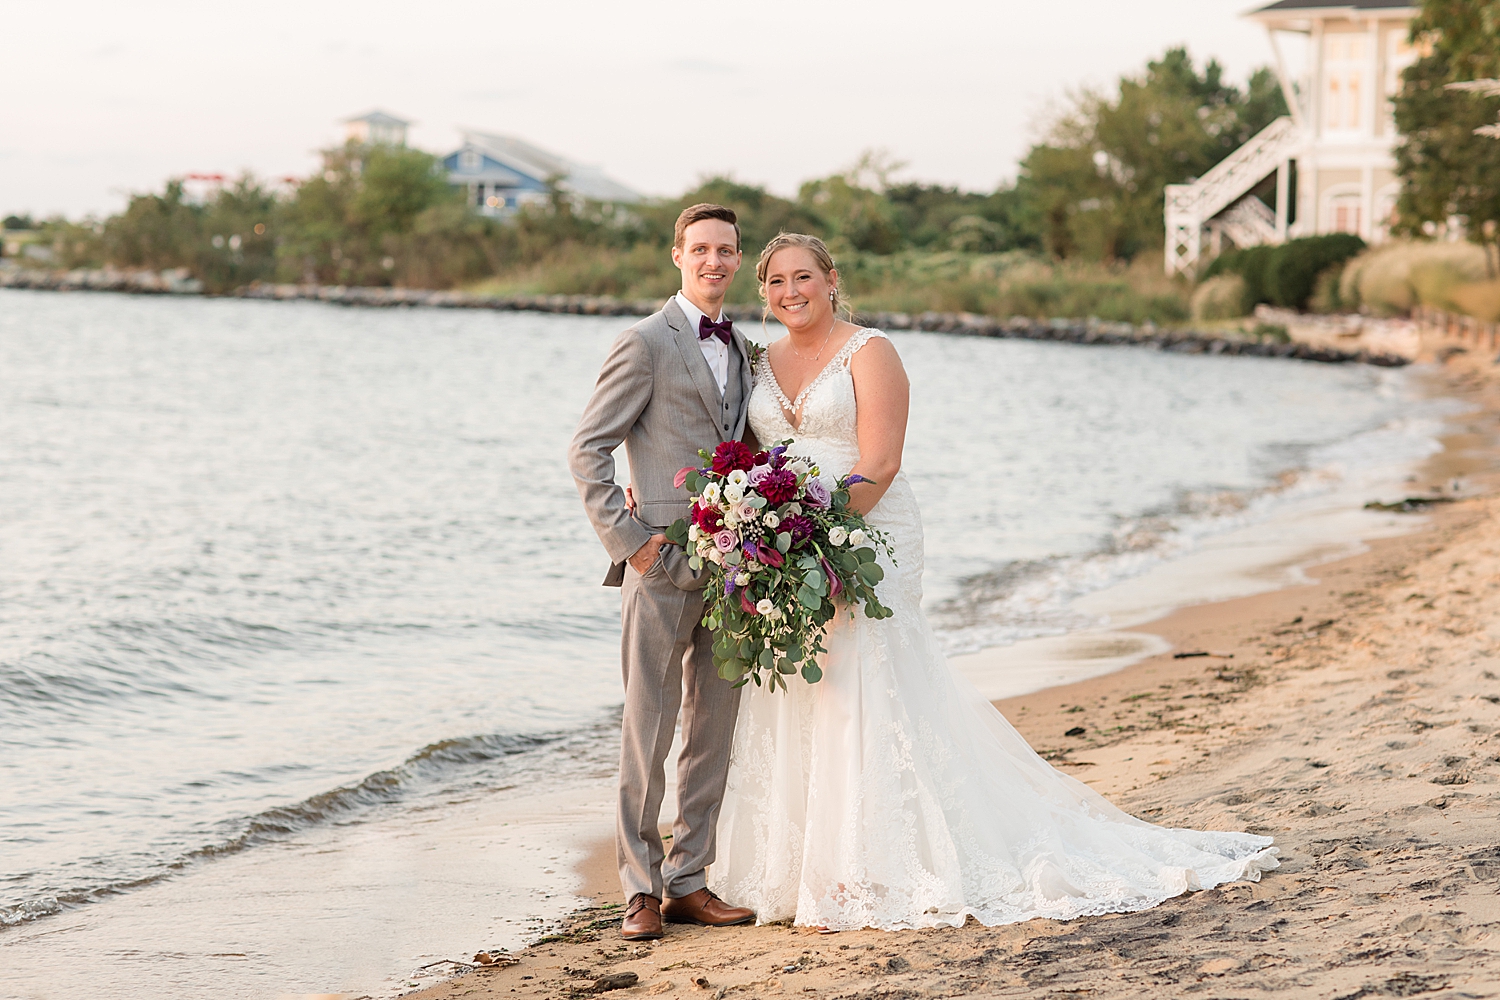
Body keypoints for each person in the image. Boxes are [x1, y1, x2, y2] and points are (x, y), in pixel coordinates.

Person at [710, 233, 1280, 931]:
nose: (789, 292)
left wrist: (817, 543)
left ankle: (874, 868)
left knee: (867, 677)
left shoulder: (872, 351)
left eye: (803, 277)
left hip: (867, 534)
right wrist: (768, 540)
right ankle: (806, 869)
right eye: (775, 282)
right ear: (762, 291)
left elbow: (882, 462)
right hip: (791, 547)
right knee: (808, 684)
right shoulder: (759, 362)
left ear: (831, 281)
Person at [567, 204, 760, 940]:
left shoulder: (744, 349)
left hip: (737, 565)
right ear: (677, 254)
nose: (715, 261)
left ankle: (689, 881)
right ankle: (639, 889)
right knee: (647, 729)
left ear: (737, 261)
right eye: (702, 248)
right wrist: (632, 544)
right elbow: (588, 450)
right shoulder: (644, 342)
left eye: (727, 250)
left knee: (714, 726)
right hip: (659, 563)